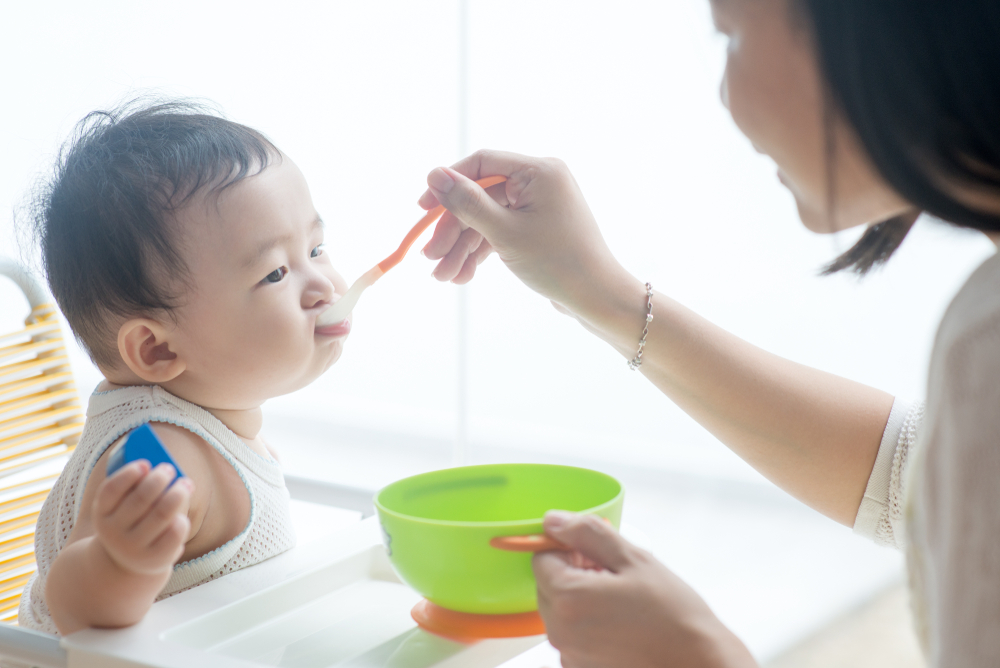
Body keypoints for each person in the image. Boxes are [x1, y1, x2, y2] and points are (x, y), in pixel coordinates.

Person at [417, 0, 1000, 665]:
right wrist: (598, 293)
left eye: (732, 34)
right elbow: (921, 480)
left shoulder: (987, 335)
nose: (726, 95)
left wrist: (698, 654)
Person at [20, 101, 354, 635]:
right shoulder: (159, 453)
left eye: (317, 249)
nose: (325, 286)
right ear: (156, 351)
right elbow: (73, 609)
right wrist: (120, 560)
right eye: (275, 273)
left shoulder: (213, 422)